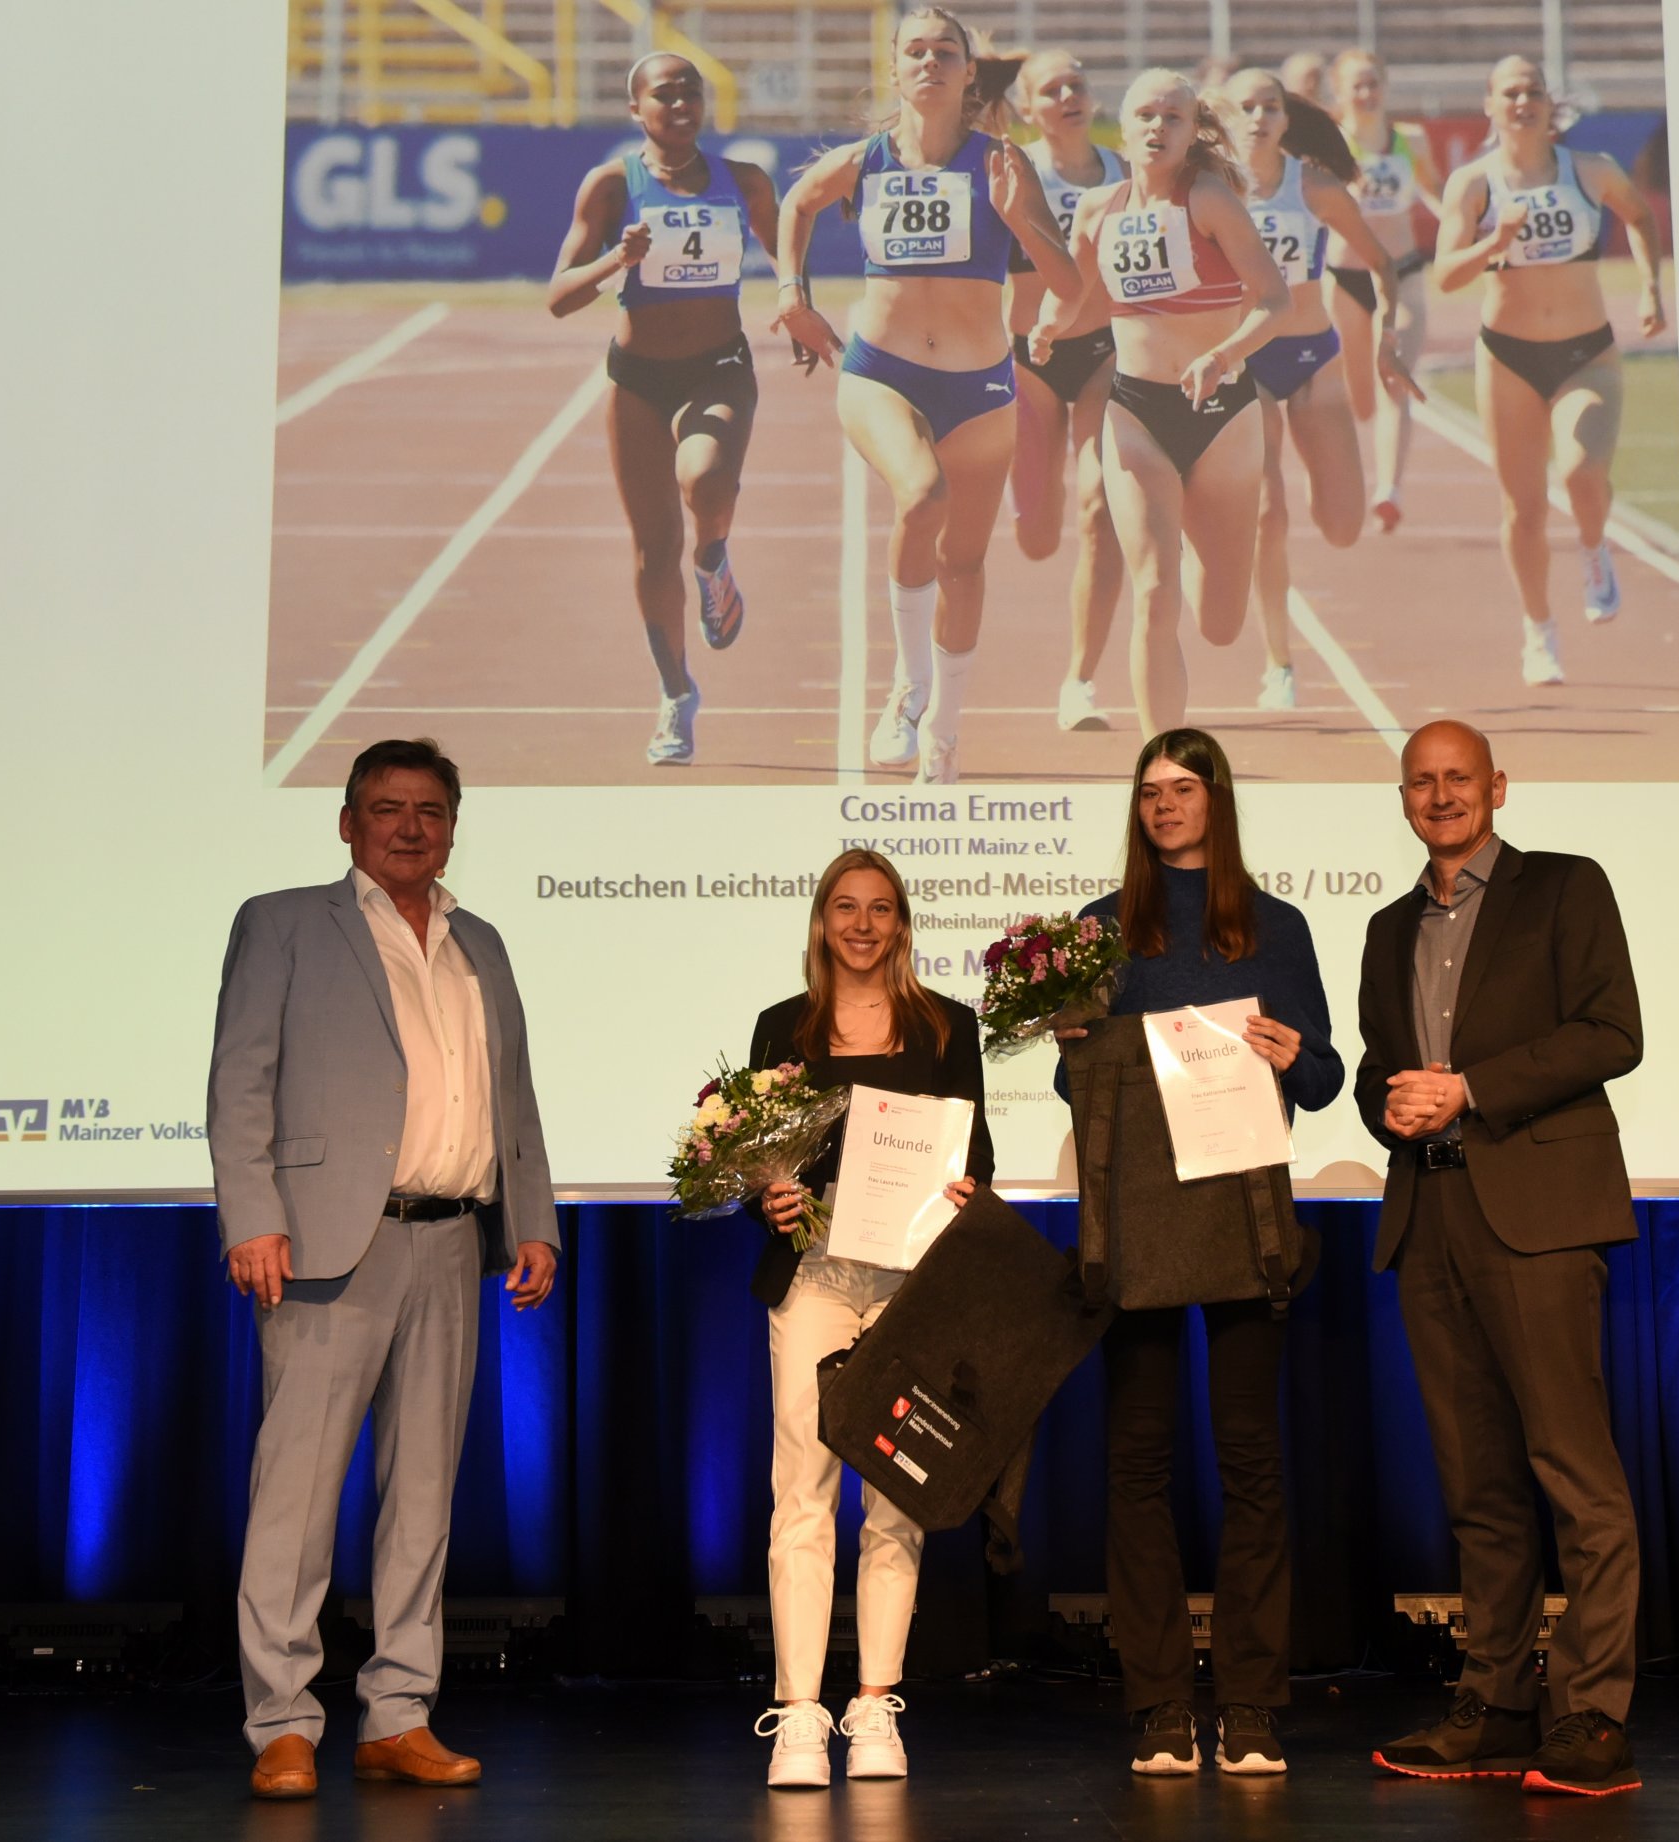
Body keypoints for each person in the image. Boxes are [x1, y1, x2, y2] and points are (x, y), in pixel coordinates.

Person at [208, 738, 559, 1800]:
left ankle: (397, 1713)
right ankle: (282, 1723)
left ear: (454, 824)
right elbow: (239, 1083)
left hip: (454, 1240)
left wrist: (531, 1220)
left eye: (429, 810)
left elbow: (515, 1095)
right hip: (322, 1243)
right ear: (348, 822)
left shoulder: (480, 942)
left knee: (422, 1499)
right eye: (386, 807)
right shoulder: (283, 923)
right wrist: (252, 1216)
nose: (409, 825)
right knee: (297, 1495)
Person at [1355, 720, 1644, 1796]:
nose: (1441, 796)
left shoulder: (1566, 887)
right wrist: (1390, 1098)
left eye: (1458, 779)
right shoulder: (1388, 929)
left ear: (1498, 788)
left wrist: (1469, 1087)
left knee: (1576, 1474)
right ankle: (1498, 1705)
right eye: (1422, 782)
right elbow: (1382, 1070)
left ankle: (1593, 1716)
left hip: (1539, 1214)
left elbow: (1614, 1033)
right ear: (1403, 799)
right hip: (1428, 1219)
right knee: (1477, 1486)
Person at [1058, 730, 1342, 1775]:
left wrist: (1294, 1051)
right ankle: (1162, 1705)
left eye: (1183, 789)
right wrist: (1074, 1049)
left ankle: (1254, 1703)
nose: (1164, 806)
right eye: (1148, 793)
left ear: (1217, 799)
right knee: (1136, 1466)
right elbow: (1075, 1093)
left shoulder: (1278, 927)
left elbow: (1322, 1081)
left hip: (1245, 1214)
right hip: (1136, 1221)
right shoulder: (1096, 930)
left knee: (1251, 1464)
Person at [775, 8, 1080, 784]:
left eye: (947, 51)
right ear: (896, 68)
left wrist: (1019, 220)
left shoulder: (1004, 164)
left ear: (969, 73)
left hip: (981, 388)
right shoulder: (864, 160)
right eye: (915, 50)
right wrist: (791, 292)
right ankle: (907, 687)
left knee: (966, 567)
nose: (931, 62)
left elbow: (1070, 287)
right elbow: (796, 204)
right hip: (881, 373)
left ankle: (945, 726)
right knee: (921, 493)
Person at [746, 849, 994, 1788]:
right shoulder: (784, 1027)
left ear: (901, 923)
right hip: (814, 1275)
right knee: (802, 1487)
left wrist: (967, 1192)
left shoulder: (946, 1026)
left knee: (896, 1496)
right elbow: (754, 1160)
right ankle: (801, 1711)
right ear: (821, 921)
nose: (861, 924)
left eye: (879, 909)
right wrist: (767, 1195)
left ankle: (874, 1705)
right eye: (845, 908)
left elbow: (980, 1157)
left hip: (911, 1285)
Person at [1031, 71, 1292, 738]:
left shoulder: (1209, 199)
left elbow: (1273, 299)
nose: (1156, 127)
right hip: (1136, 411)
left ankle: (1205, 544)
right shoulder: (1099, 208)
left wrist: (1224, 355)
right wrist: (1049, 326)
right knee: (1154, 591)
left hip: (1224, 414)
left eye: (1172, 118)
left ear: (1190, 130)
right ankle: (1161, 758)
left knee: (1222, 622)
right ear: (1123, 125)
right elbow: (1075, 293)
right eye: (1144, 115)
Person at [549, 54, 781, 766]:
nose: (680, 103)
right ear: (635, 109)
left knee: (706, 478)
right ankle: (677, 696)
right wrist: (616, 260)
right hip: (637, 378)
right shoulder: (613, 185)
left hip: (718, 367)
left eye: (691, 92)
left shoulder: (743, 182)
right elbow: (559, 296)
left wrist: (797, 305)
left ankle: (714, 559)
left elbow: (791, 255)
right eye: (664, 93)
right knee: (653, 552)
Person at [1432, 56, 1665, 686]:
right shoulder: (1473, 185)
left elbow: (1640, 217)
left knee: (1583, 472)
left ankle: (1594, 547)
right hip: (1506, 356)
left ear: (1548, 104)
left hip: (1584, 351)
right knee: (1523, 509)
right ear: (1490, 105)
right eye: (1509, 92)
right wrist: (1493, 243)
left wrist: (1649, 289)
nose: (1522, 101)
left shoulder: (1591, 171)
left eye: (1533, 90)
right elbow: (1445, 276)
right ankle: (1539, 632)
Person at [1223, 68, 1420, 711]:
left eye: (1269, 107)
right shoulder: (1209, 188)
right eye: (1245, 107)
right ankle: (1280, 665)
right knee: (1264, 511)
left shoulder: (1316, 188)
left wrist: (1387, 337)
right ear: (1227, 117)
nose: (1257, 117)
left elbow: (1384, 266)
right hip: (1245, 362)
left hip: (1311, 356)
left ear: (1287, 118)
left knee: (1340, 526)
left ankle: (1313, 465)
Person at [1004, 50, 1128, 733]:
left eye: (1077, 84)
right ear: (1029, 109)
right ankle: (1027, 496)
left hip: (1104, 354)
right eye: (1052, 89)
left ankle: (1080, 680)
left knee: (1099, 505)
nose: (1068, 95)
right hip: (1027, 360)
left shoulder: (1126, 176)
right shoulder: (1011, 174)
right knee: (1037, 537)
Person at [1325, 51, 1445, 533]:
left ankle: (1389, 490)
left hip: (1402, 272)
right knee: (1360, 397)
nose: (1366, 93)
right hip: (1346, 278)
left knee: (1394, 379)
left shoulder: (1409, 139)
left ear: (1386, 86)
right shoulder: (1330, 143)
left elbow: (1432, 189)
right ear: (1340, 92)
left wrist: (1461, 223)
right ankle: (1365, 469)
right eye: (1356, 85)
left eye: (1373, 83)